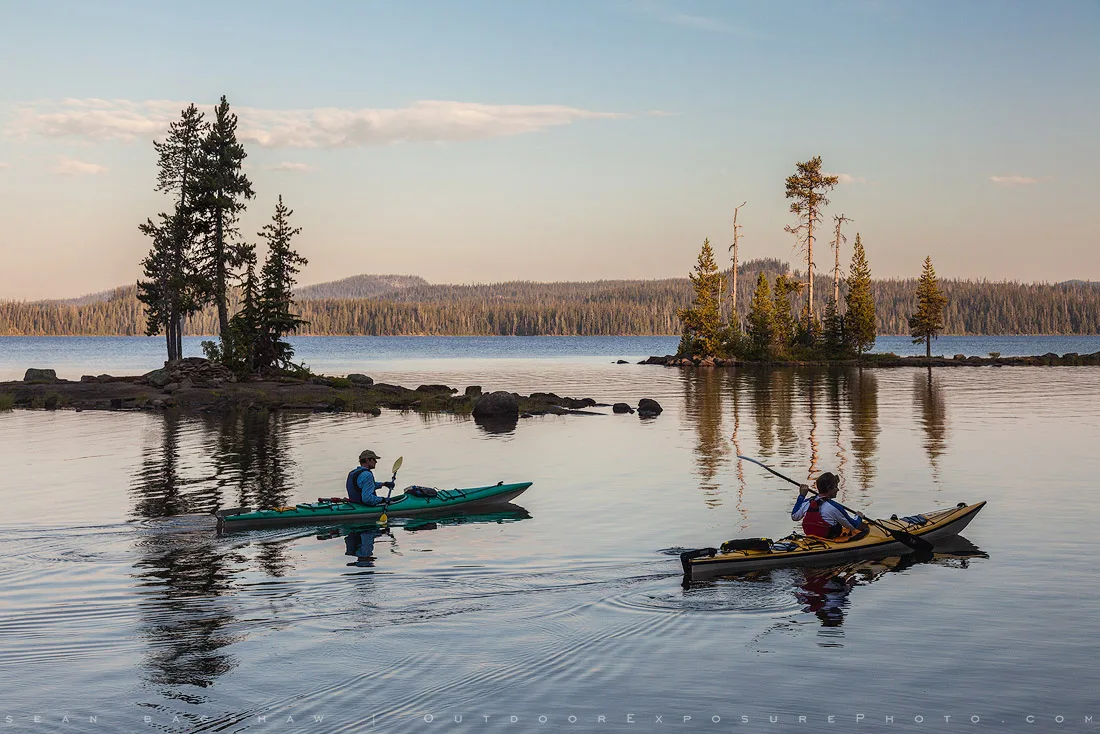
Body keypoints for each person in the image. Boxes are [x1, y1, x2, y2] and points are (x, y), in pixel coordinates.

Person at [790, 472, 865, 539]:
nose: (837, 489)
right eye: (836, 487)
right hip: (829, 540)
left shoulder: (808, 502)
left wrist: (802, 496)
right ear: (829, 488)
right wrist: (858, 517)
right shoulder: (834, 507)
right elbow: (853, 526)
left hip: (811, 539)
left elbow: (794, 516)